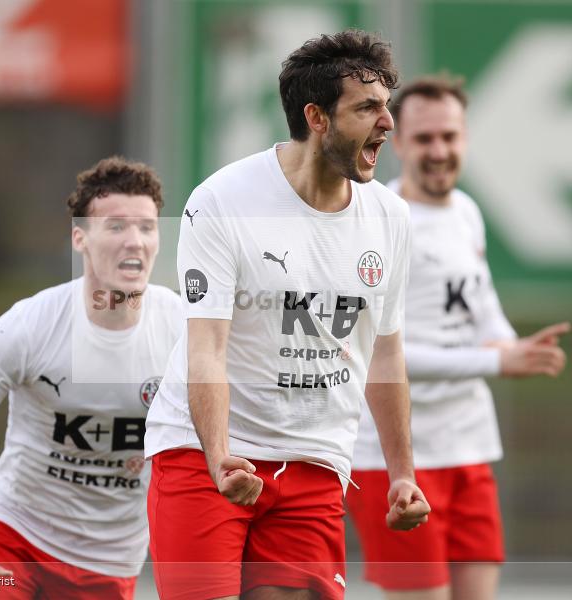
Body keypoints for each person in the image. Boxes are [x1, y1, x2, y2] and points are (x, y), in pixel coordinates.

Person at [144, 30, 430, 600]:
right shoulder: (223, 200)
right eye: (367, 108)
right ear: (316, 117)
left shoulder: (391, 219)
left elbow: (385, 351)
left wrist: (402, 474)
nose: (388, 124)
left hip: (314, 461)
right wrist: (221, 455)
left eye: (386, 106)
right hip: (203, 459)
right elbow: (208, 348)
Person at [348, 75, 571, 600]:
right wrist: (497, 363)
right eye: (424, 139)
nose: (439, 150)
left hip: (467, 444)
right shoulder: (376, 220)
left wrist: (511, 344)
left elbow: (481, 309)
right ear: (397, 142)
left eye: (450, 136)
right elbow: (379, 356)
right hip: (391, 458)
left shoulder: (467, 211)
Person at [0, 157, 182, 600]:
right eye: (116, 226)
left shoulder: (184, 329)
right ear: (80, 237)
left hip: (110, 563)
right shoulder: (30, 325)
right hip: (12, 539)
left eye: (147, 227)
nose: (134, 242)